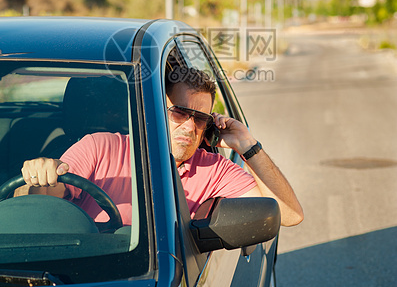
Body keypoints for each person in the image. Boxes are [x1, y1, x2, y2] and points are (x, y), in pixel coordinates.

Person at [16, 67, 303, 227]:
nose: (190, 127)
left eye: (201, 118)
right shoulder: (99, 147)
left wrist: (248, 146)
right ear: (154, 110)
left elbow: (290, 215)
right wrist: (40, 176)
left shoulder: (213, 169)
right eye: (178, 112)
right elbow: (37, 199)